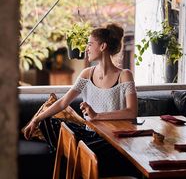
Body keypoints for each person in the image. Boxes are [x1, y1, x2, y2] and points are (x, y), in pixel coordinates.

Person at [24, 23, 138, 177]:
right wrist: (36, 119)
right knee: (47, 121)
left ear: (103, 46)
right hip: (89, 135)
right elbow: (64, 102)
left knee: (85, 148)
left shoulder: (124, 75)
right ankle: (81, 159)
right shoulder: (86, 74)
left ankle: (78, 160)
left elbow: (131, 112)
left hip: (113, 141)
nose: (86, 48)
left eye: (90, 44)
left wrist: (97, 116)